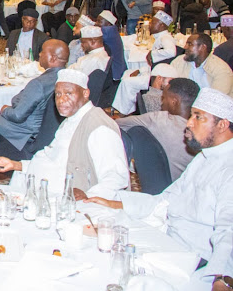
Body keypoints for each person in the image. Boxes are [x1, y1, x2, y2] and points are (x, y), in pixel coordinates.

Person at [85, 88, 233, 281]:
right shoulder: (204, 158)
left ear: (222, 125)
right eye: (191, 115)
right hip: (169, 242)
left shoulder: (228, 168)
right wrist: (115, 203)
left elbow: (228, 230)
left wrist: (222, 278)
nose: (189, 123)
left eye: (198, 117)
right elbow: (166, 200)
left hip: (194, 261)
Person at [0, 69, 130, 199]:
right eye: (58, 94)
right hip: (45, 190)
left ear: (85, 93)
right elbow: (52, 158)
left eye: (69, 93)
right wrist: (16, 165)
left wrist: (88, 199)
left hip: (66, 199)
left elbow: (116, 178)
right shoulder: (71, 119)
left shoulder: (99, 127)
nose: (61, 100)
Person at [0, 39, 68, 151]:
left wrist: (5, 110)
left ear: (53, 58)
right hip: (46, 130)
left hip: (26, 131)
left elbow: (17, 116)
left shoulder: (39, 84)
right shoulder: (66, 78)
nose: (39, 54)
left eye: (43, 51)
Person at [116, 78, 200, 180]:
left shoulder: (159, 119)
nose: (162, 102)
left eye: (164, 97)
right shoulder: (202, 134)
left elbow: (117, 124)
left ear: (174, 102)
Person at [110, 63, 178, 116]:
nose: (173, 84)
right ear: (159, 78)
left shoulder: (147, 97)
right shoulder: (157, 100)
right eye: (171, 80)